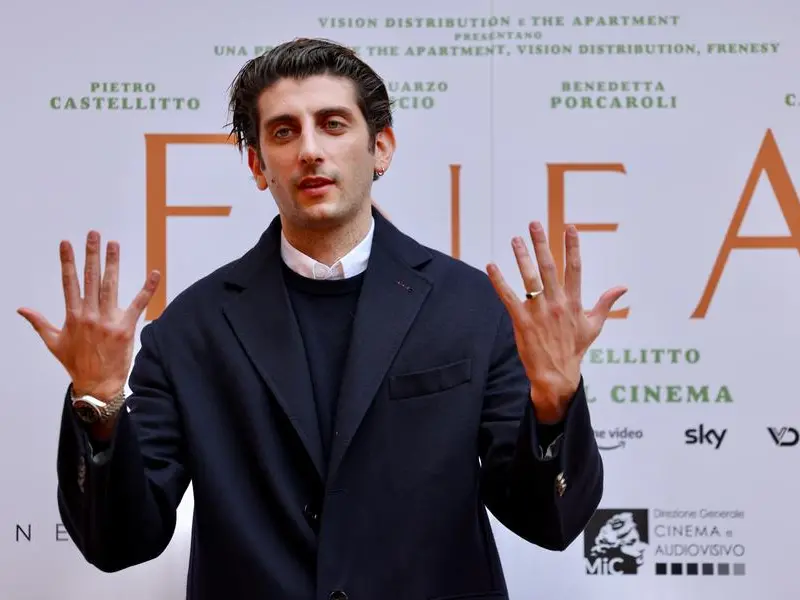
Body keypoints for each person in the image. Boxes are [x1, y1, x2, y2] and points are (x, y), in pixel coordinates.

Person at [18, 38, 626, 600]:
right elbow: (119, 542)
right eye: (284, 131)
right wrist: (98, 403)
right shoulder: (190, 331)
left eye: (333, 124)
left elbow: (549, 521)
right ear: (258, 165)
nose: (309, 149)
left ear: (380, 148)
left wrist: (554, 403)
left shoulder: (470, 308)